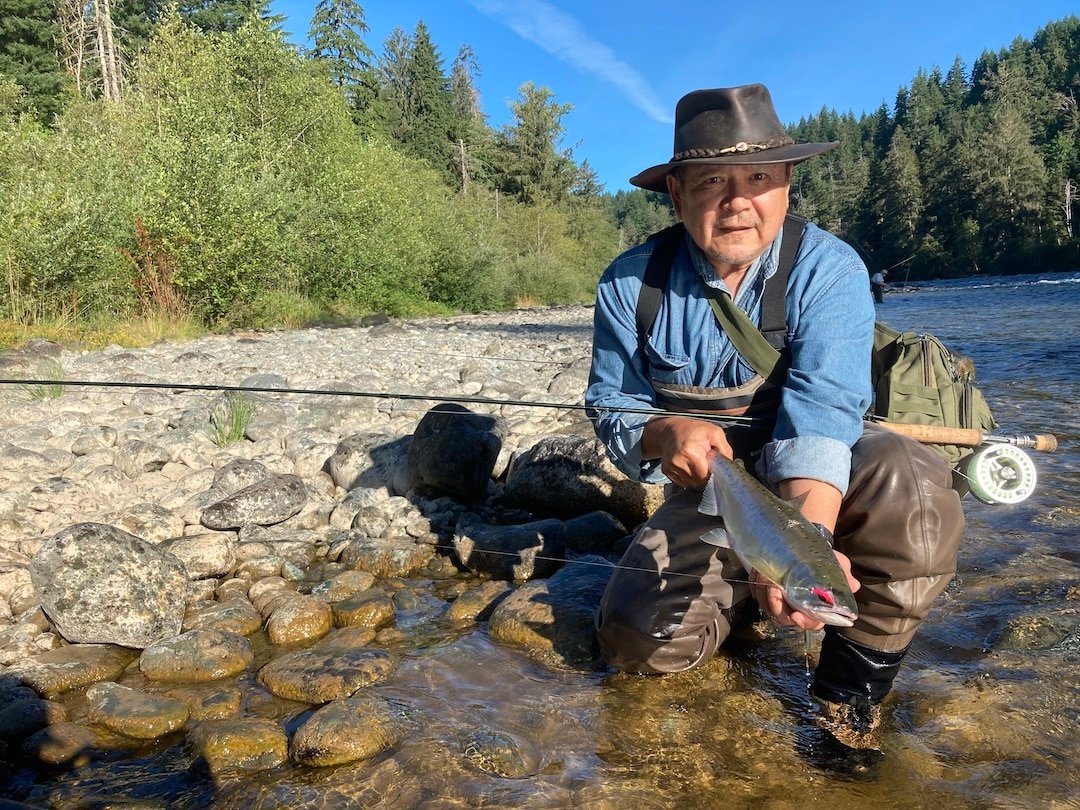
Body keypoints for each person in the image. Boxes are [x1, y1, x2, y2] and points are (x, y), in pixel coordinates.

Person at [586, 85, 964, 765]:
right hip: (709, 493)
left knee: (912, 481)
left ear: (787, 184)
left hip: (818, 480)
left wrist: (798, 553)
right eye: (711, 181)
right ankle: (741, 604)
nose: (737, 200)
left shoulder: (829, 269)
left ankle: (848, 700)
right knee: (636, 646)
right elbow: (611, 405)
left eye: (758, 177)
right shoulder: (628, 285)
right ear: (676, 194)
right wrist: (660, 435)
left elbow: (821, 417)